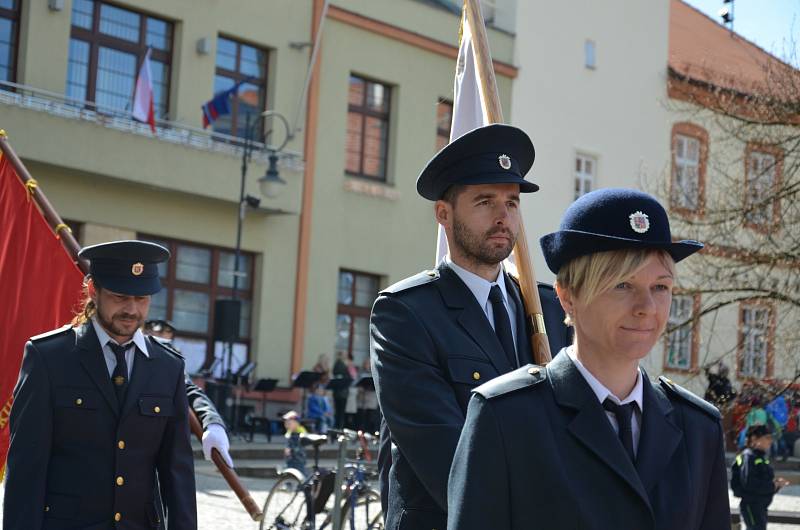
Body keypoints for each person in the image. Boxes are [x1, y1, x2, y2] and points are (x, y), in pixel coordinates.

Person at [448, 188, 730, 529]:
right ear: (567, 296)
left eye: (661, 287)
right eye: (622, 285)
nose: (647, 308)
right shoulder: (507, 417)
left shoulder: (698, 428)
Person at [370, 124, 571, 529]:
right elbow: (445, 455)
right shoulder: (406, 314)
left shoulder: (548, 307)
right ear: (444, 214)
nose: (503, 217)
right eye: (485, 201)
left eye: (512, 203)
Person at [3, 240, 197, 530]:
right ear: (94, 290)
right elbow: (26, 471)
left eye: (142, 299)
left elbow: (177, 474)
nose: (132, 309)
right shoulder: (48, 358)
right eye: (120, 296)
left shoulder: (168, 366)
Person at [144, 318, 234, 468]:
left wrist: (212, 422)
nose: (162, 335)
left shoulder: (169, 354)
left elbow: (188, 388)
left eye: (166, 332)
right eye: (159, 331)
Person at [731, 425, 790, 530]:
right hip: (752, 506)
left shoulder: (759, 457)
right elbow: (749, 484)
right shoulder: (749, 457)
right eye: (767, 437)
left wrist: (776, 485)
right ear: (754, 439)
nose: (770, 441)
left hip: (760, 506)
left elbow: (762, 483)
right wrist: (773, 485)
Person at [282, 410, 308, 476]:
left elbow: (300, 445)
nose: (287, 425)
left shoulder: (301, 432)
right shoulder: (289, 432)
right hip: (290, 458)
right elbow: (288, 442)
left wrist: (291, 449)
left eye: (289, 423)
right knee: (289, 472)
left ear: (296, 423)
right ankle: (288, 484)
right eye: (286, 423)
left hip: (298, 458)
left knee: (300, 473)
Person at [331, 350, 352, 429]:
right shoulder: (339, 364)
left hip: (344, 392)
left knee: (341, 412)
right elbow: (338, 375)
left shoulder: (346, 364)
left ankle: (340, 427)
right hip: (339, 392)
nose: (345, 356)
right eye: (344, 354)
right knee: (338, 412)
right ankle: (338, 428)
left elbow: (351, 376)